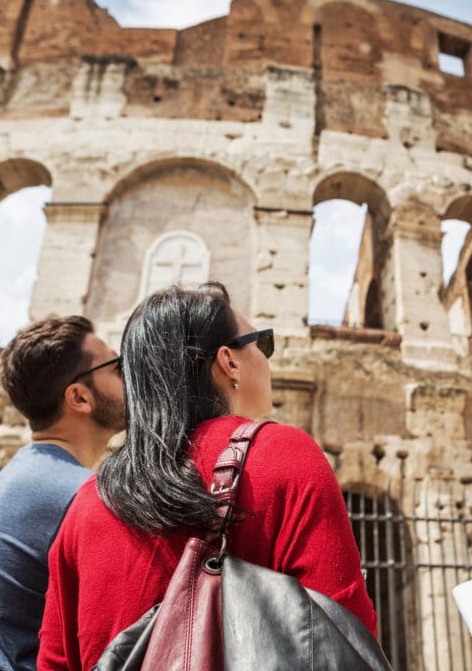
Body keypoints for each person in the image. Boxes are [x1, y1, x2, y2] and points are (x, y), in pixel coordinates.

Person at [38, 283, 378, 670]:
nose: (267, 359)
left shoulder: (87, 501)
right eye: (261, 344)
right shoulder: (285, 455)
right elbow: (346, 636)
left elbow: (55, 660)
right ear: (229, 362)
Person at [0, 316, 126, 671]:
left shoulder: (11, 481)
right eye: (117, 368)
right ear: (80, 397)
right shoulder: (80, 495)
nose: (130, 377)